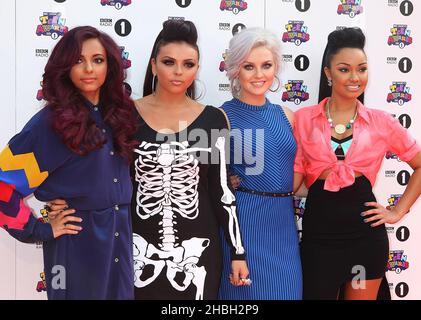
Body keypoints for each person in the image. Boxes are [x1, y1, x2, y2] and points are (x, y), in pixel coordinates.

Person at [0, 26, 138, 299]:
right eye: (78, 60)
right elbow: (3, 185)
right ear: (64, 67)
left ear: (110, 65)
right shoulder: (49, 124)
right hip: (75, 244)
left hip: (119, 236)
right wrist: (38, 229)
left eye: (97, 60)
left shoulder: (120, 115)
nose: (89, 68)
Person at [294, 27, 421, 300]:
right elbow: (288, 173)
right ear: (328, 73)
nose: (355, 77)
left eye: (362, 69)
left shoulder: (381, 121)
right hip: (319, 240)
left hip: (365, 241)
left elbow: (419, 164)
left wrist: (397, 211)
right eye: (344, 69)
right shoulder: (302, 119)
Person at [130, 19, 248, 300]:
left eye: (189, 64)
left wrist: (238, 252)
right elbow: (105, 178)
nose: (178, 72)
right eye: (169, 62)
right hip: (136, 248)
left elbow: (221, 191)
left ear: (197, 68)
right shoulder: (125, 116)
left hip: (196, 255)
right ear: (153, 64)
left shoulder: (212, 119)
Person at [218, 27, 302, 300]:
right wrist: (227, 178)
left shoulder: (287, 115)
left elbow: (300, 170)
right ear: (234, 71)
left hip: (283, 226)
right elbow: (208, 180)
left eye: (266, 65)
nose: (259, 75)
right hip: (244, 225)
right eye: (248, 66)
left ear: (276, 67)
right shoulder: (221, 117)